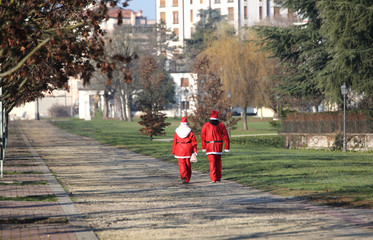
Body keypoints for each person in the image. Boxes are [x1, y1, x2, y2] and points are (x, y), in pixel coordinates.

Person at [201, 110, 230, 183]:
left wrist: (204, 147)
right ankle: (218, 177)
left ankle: (213, 178)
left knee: (212, 163)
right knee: (218, 162)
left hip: (209, 146)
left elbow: (202, 137)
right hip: (219, 146)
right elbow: (226, 137)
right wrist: (226, 147)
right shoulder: (221, 125)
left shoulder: (206, 125)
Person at [172, 117, 198, 184]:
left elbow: (174, 141)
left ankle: (184, 176)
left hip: (179, 147)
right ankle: (188, 177)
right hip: (188, 148)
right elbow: (193, 141)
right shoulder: (189, 131)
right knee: (188, 164)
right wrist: (194, 150)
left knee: (181, 163)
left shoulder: (177, 131)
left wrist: (173, 151)